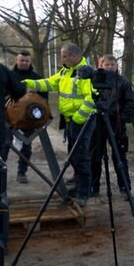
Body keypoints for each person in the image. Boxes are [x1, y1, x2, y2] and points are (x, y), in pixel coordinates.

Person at [23, 43, 95, 207]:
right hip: (70, 120)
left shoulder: (85, 72)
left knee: (81, 156)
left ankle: (84, 192)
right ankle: (78, 185)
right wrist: (28, 83)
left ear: (75, 56)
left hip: (81, 121)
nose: (62, 59)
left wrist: (78, 117)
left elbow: (91, 98)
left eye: (64, 56)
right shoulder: (65, 71)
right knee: (73, 153)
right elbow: (49, 83)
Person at [89, 54, 134, 197]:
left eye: (112, 64)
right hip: (97, 123)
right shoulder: (95, 81)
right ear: (101, 66)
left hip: (116, 124)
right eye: (107, 65)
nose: (110, 67)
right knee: (95, 155)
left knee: (119, 155)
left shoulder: (123, 82)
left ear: (117, 65)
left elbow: (132, 103)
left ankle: (125, 186)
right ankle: (94, 186)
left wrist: (122, 118)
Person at [1, 50, 48, 183]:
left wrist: (42, 117)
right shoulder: (8, 76)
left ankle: (22, 173)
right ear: (16, 60)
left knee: (26, 147)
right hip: (8, 118)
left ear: (30, 62)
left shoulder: (37, 78)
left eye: (26, 61)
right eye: (21, 60)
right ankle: (1, 173)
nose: (24, 63)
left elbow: (44, 99)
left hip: (29, 119)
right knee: (4, 145)